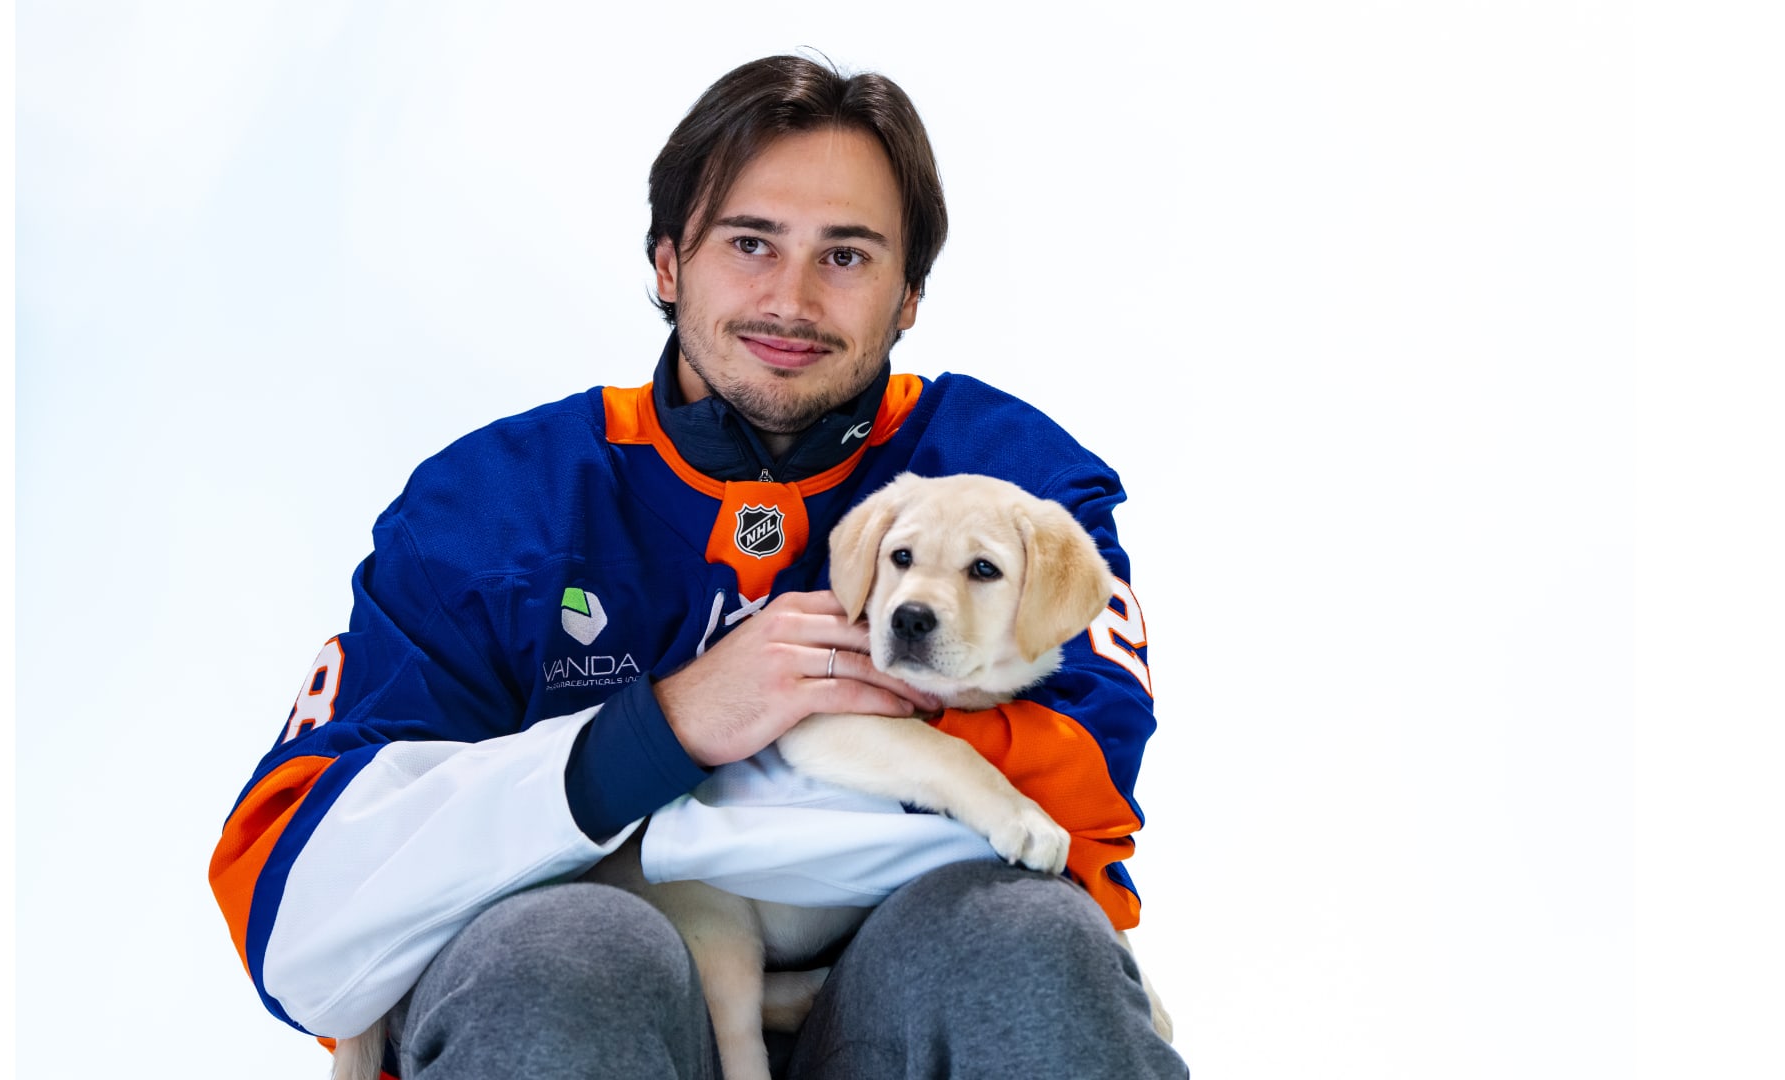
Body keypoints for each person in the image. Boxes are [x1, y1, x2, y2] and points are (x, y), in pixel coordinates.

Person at [210, 54, 1186, 1079]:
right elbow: (298, 903)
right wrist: (659, 732)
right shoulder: (492, 504)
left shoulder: (1012, 477)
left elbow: (1078, 799)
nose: (791, 299)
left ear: (908, 296)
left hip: (894, 1008)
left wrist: (766, 759)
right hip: (594, 1011)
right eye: (750, 243)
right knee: (568, 949)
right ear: (669, 263)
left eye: (846, 256)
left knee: (1020, 938)